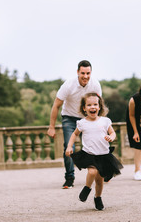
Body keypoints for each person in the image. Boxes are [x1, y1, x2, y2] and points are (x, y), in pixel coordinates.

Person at [47, 60, 102, 189]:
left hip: (87, 118)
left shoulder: (95, 84)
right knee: (68, 145)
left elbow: (99, 105)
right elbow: (56, 105)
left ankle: (102, 171)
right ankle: (69, 178)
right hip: (69, 118)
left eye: (88, 73)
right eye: (83, 73)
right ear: (78, 72)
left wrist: (101, 124)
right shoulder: (68, 85)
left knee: (96, 145)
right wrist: (51, 127)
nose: (85, 76)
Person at [65, 93, 123, 210]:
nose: (93, 107)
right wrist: (69, 146)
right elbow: (74, 134)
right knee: (92, 172)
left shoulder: (105, 121)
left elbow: (112, 132)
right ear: (84, 108)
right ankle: (87, 188)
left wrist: (111, 137)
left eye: (95, 104)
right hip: (89, 154)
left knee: (99, 181)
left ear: (99, 107)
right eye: (89, 105)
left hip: (103, 155)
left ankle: (98, 197)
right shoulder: (82, 123)